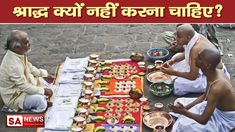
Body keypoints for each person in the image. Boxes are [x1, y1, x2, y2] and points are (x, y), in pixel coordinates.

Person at [168, 49, 235, 132]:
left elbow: (203, 120)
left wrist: (183, 112)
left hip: (224, 117)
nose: (195, 58)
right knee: (179, 102)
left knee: (184, 126)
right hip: (213, 106)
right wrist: (185, 108)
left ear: (207, 65)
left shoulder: (216, 87)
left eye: (199, 57)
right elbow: (205, 97)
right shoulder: (211, 73)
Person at [161, 24, 230, 96]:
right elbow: (186, 53)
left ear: (188, 37)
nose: (176, 39)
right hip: (202, 65)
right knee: (176, 57)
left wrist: (173, 72)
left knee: (178, 84)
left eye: (179, 37)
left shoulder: (195, 49)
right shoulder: (195, 37)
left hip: (212, 74)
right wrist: (172, 61)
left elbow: (193, 76)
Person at [0, 30, 54, 112]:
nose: (29, 44)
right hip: (16, 97)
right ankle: (41, 105)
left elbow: (30, 67)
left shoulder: (17, 54)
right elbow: (24, 86)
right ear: (17, 47)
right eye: (26, 43)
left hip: (23, 88)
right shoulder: (14, 65)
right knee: (39, 100)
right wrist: (43, 91)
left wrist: (45, 74)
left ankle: (41, 98)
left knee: (42, 81)